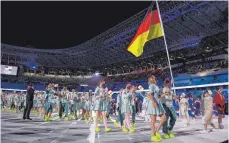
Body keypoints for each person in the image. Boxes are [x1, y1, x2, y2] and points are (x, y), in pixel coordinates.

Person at [147, 75, 166, 142]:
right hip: (154, 103)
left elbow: (157, 95)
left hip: (158, 102)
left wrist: (163, 95)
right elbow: (150, 95)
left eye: (154, 77)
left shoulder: (155, 86)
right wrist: (153, 102)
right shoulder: (151, 85)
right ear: (151, 79)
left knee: (164, 118)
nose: (154, 78)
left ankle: (156, 131)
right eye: (153, 77)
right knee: (153, 119)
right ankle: (153, 135)